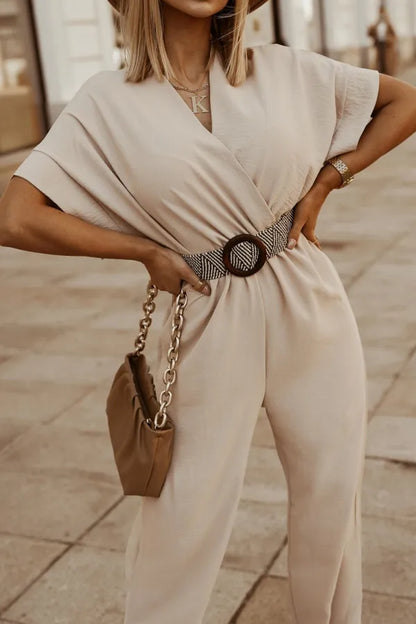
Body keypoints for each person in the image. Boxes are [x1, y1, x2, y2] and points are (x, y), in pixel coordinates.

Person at [1, 1, 416, 622]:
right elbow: (18, 217)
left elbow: (405, 101)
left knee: (331, 488)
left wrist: (330, 179)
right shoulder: (107, 101)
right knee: (183, 506)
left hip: (305, 293)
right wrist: (144, 251)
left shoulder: (287, 69)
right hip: (207, 305)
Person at [367, 4, 399, 75]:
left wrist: (387, 39)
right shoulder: (377, 24)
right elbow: (370, 33)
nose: (381, 15)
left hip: (387, 48)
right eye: (380, 13)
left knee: (388, 67)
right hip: (379, 47)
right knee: (379, 66)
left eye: (383, 13)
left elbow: (394, 37)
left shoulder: (389, 24)